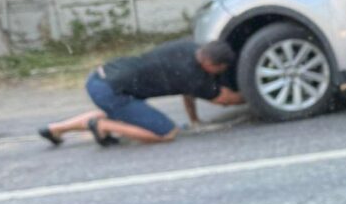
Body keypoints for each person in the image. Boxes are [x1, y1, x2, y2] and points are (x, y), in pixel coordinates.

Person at [37, 39, 243, 147]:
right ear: (210, 64)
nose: (221, 73)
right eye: (221, 69)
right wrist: (252, 97)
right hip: (112, 91)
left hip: (100, 77)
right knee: (166, 133)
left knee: (122, 112)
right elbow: (226, 99)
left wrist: (194, 119)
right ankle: (102, 126)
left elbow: (187, 92)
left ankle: (55, 129)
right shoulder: (193, 76)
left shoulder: (189, 46)